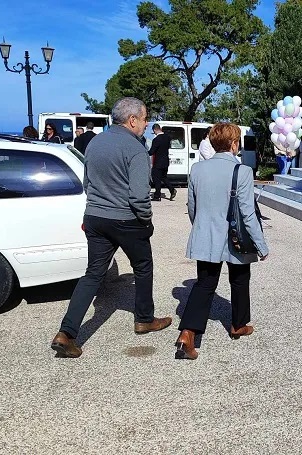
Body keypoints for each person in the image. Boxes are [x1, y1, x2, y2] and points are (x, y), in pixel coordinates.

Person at [50, 97, 172, 358]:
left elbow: (87, 182)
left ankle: (67, 332)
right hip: (126, 219)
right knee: (143, 267)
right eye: (144, 118)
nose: (146, 123)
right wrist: (146, 221)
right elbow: (140, 196)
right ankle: (144, 319)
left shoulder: (94, 143)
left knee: (93, 274)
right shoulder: (136, 149)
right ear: (132, 120)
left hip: (95, 216)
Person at [174, 123, 269, 360]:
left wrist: (202, 228)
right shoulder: (243, 171)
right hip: (236, 237)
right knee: (239, 279)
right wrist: (261, 244)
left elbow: (192, 208)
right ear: (234, 143)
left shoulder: (197, 169)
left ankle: (187, 333)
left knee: (204, 284)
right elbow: (247, 213)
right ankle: (238, 324)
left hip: (207, 235)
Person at [148, 123, 177, 201]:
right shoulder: (167, 137)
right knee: (164, 177)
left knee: (156, 178)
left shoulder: (156, 139)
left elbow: (152, 151)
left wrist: (145, 152)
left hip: (158, 162)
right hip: (166, 161)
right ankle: (172, 189)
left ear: (154, 130)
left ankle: (157, 196)